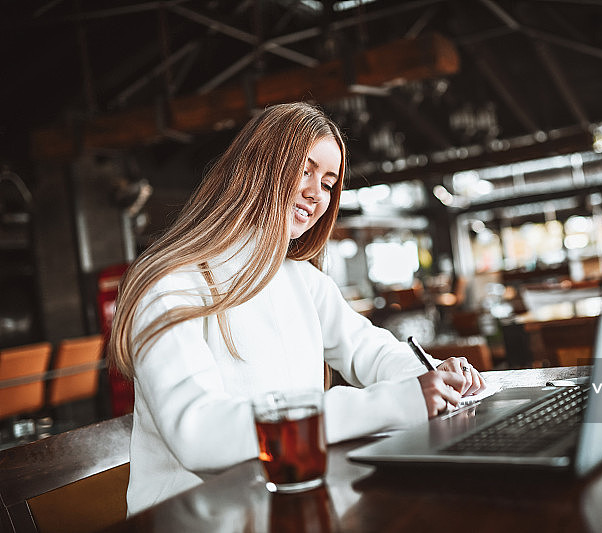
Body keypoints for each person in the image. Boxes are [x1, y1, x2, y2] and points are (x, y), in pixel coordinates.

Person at [108, 102, 486, 515]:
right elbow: (202, 434)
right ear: (258, 168)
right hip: (193, 520)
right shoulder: (171, 285)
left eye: (328, 182)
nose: (316, 194)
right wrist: (397, 403)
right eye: (304, 170)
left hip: (285, 507)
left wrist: (432, 377)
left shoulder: (302, 279)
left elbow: (369, 350)